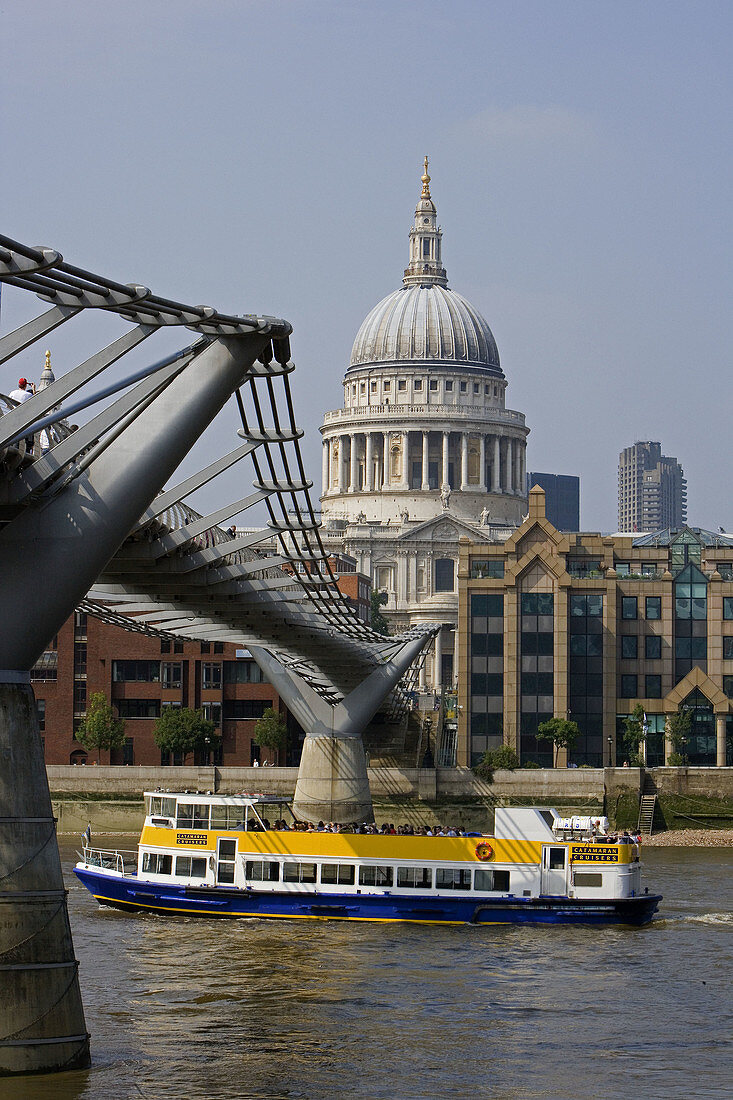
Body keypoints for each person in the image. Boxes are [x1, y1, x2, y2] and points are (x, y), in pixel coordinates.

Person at [8, 378, 36, 453]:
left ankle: (12, 450)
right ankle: (18, 452)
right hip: (23, 420)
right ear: (25, 386)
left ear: (19, 385)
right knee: (21, 438)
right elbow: (36, 402)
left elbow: (8, 406)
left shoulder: (12, 393)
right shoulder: (28, 395)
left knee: (12, 436)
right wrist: (33, 390)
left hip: (12, 418)